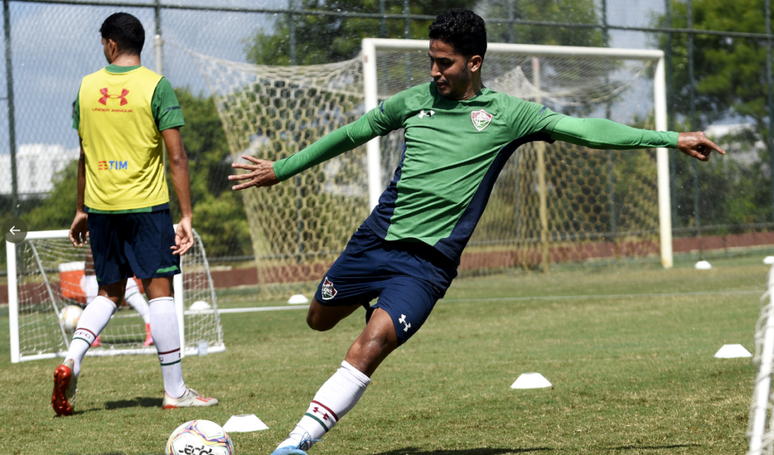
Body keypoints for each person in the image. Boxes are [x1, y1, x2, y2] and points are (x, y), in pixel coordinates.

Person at [230, 9, 724, 455]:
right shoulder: (411, 102)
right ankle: (365, 298)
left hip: (428, 265)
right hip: (375, 240)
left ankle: (295, 444)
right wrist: (283, 168)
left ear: (474, 62)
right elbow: (350, 135)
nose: (433, 71)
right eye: (430, 60)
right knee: (318, 319)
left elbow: (586, 129)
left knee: (371, 343)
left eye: (444, 62)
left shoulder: (510, 115)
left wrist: (671, 138)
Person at [53, 12, 218, 417]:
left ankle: (71, 359)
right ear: (136, 45)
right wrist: (186, 215)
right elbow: (176, 156)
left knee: (109, 292)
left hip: (102, 207)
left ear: (110, 44)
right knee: (159, 290)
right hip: (147, 207)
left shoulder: (86, 87)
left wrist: (80, 209)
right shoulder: (156, 86)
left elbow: (84, 154)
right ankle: (174, 391)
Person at [82, 248, 154, 348]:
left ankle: (152, 329)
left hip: (115, 264)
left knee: (115, 253)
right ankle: (93, 334)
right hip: (95, 274)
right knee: (92, 258)